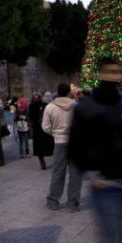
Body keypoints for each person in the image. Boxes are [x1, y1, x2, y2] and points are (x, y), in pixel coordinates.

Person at [68, 57, 122, 243]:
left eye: (118, 72)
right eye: (110, 72)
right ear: (100, 74)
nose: (115, 76)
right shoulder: (86, 107)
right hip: (107, 187)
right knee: (109, 241)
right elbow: (76, 145)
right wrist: (93, 174)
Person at [43, 83, 82, 212]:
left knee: (58, 172)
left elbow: (45, 126)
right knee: (75, 173)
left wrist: (55, 133)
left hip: (59, 142)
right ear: (68, 92)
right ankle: (73, 203)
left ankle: (53, 201)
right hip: (75, 143)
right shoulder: (75, 106)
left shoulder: (50, 107)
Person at [28, 92, 54, 170]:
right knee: (50, 145)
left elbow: (30, 116)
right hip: (47, 129)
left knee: (40, 146)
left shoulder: (34, 104)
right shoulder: (52, 106)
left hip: (38, 128)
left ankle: (42, 161)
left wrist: (31, 124)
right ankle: (51, 161)